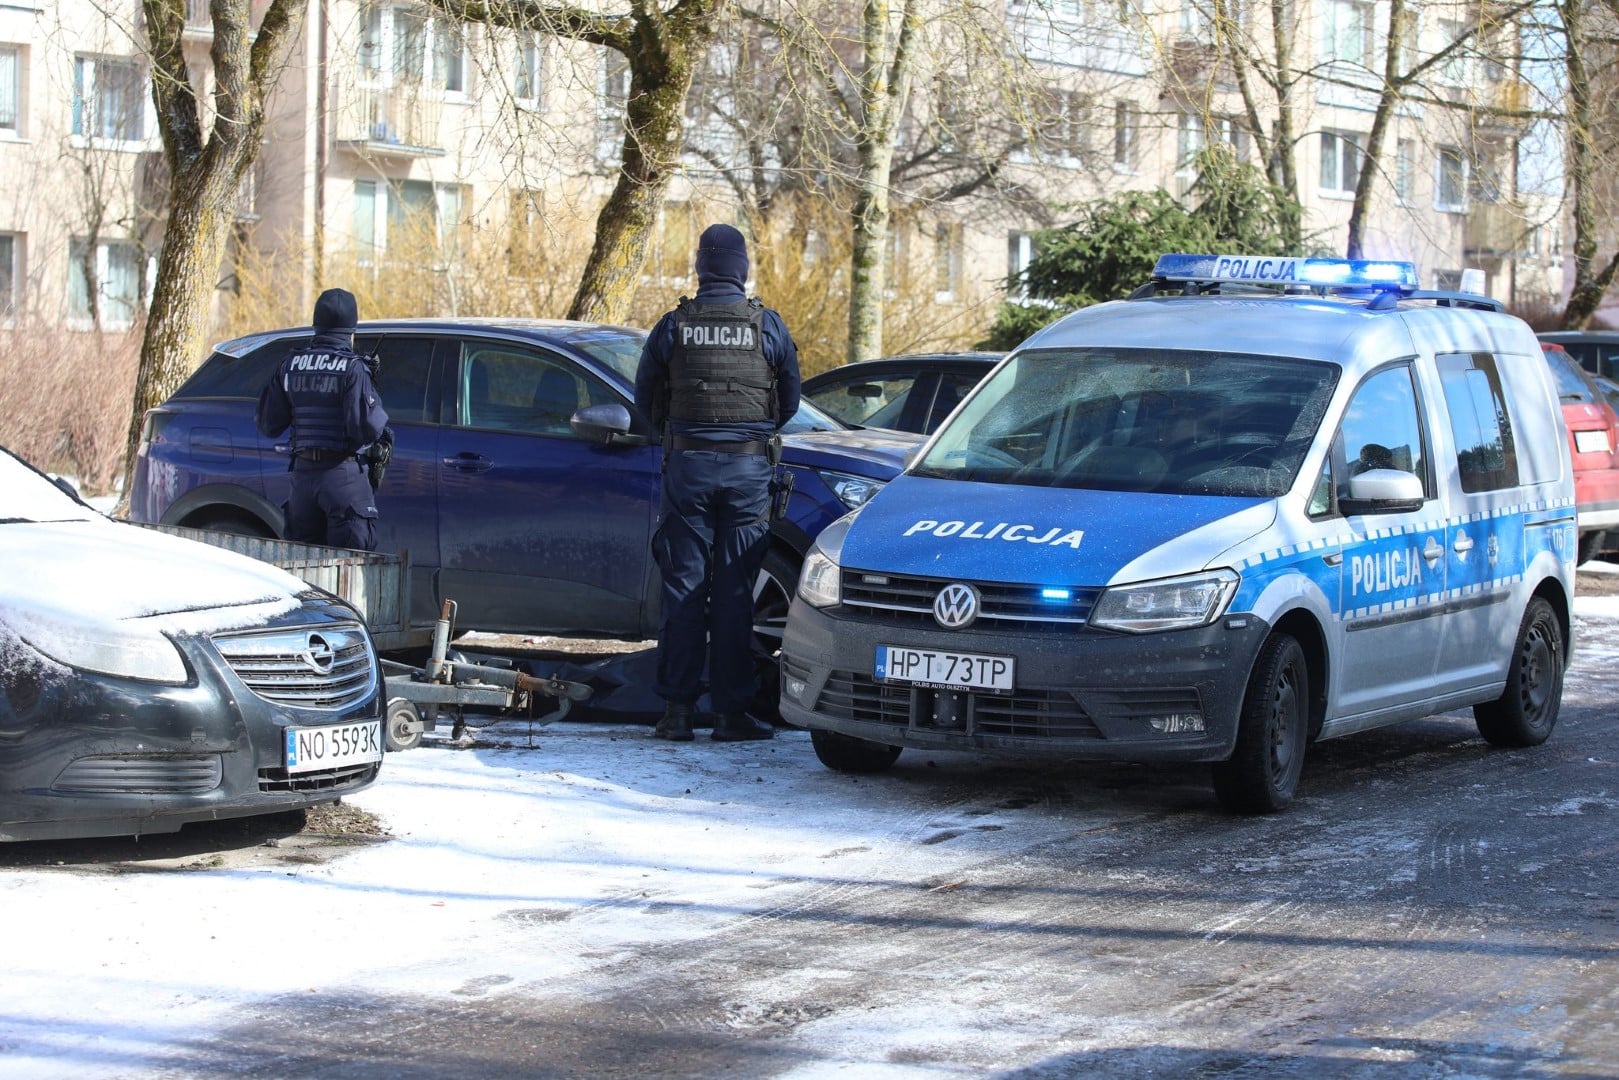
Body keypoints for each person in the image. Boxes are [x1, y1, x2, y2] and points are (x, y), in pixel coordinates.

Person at [634, 223, 802, 743]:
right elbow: (790, 400)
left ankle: (678, 713)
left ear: (702, 267)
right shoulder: (767, 325)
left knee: (683, 589)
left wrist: (677, 433)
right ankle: (731, 715)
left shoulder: (674, 325)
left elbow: (645, 399)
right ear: (741, 267)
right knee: (733, 594)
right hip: (750, 471)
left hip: (687, 470)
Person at [255, 288, 390, 551]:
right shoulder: (353, 368)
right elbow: (367, 428)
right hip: (343, 478)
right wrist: (369, 386)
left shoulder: (290, 365)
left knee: (304, 572)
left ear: (316, 326)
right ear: (352, 331)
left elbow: (268, 424)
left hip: (302, 482)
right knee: (349, 571)